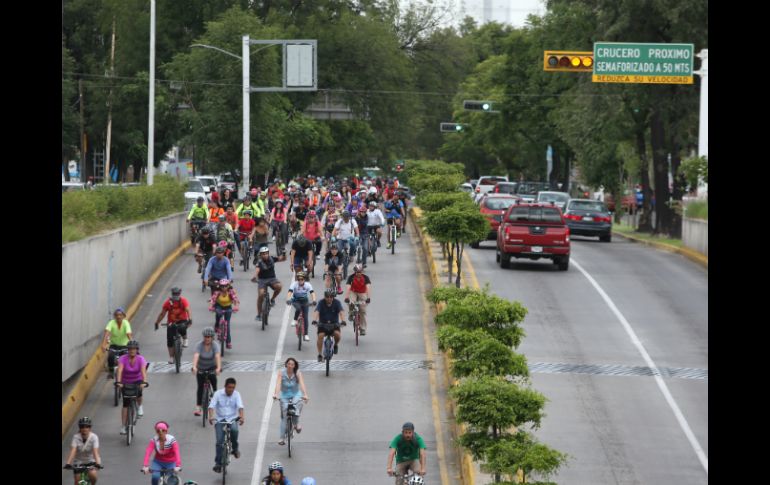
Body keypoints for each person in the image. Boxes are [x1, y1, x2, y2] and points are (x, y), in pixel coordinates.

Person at [209, 377, 245, 473]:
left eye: (233, 388)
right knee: (219, 442)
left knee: (234, 430)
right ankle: (218, 463)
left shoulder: (236, 394)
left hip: (232, 418)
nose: (231, 390)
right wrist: (211, 416)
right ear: (225, 386)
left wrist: (241, 417)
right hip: (220, 419)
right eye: (229, 387)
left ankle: (235, 448)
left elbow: (240, 407)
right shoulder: (217, 394)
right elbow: (211, 406)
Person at [272, 357, 309, 445]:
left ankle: (296, 424)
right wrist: (276, 394)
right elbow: (278, 384)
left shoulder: (298, 373)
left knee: (298, 405)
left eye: (292, 364)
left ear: (294, 366)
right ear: (286, 364)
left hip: (296, 395)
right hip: (284, 396)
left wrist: (305, 394)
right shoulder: (281, 373)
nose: (290, 366)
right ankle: (281, 438)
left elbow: (302, 384)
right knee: (284, 417)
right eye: (288, 364)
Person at [116, 340, 147, 434]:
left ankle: (140, 406)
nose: (131, 351)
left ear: (137, 350)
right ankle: (123, 426)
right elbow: (120, 371)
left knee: (139, 392)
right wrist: (119, 382)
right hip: (125, 382)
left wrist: (144, 382)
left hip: (137, 380)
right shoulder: (122, 358)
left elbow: (143, 372)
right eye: (130, 349)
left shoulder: (141, 359)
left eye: (133, 349)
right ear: (128, 350)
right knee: (125, 404)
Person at [191, 327, 222, 416]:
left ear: (212, 337)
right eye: (205, 336)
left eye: (209, 337)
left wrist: (218, 368)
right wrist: (194, 367)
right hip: (201, 368)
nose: (207, 338)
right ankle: (198, 407)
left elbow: (217, 356)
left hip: (212, 367)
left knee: (214, 384)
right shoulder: (199, 345)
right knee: (200, 387)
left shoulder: (215, 345)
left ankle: (216, 401)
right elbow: (196, 356)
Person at [252, 246, 286, 322]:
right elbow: (257, 270)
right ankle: (259, 314)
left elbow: (283, 259)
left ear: (268, 253)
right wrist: (255, 276)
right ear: (260, 255)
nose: (265, 255)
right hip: (262, 280)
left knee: (279, 286)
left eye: (266, 253)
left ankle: (272, 299)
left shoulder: (272, 259)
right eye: (263, 254)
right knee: (260, 295)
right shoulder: (259, 261)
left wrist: (284, 254)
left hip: (272, 279)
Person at [64, 417, 102, 485]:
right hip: (79, 461)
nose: (84, 429)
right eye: (82, 426)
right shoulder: (76, 437)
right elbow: (73, 451)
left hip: (91, 460)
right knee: (77, 480)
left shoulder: (94, 437)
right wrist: (68, 463)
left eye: (87, 426)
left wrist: (98, 464)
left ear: (90, 428)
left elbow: (95, 452)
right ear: (79, 428)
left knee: (93, 475)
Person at [142, 421, 182, 485]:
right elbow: (148, 451)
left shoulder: (171, 439)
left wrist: (178, 465)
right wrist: (145, 465)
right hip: (158, 462)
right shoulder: (154, 440)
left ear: (166, 431)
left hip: (170, 462)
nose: (161, 433)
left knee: (171, 481)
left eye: (163, 431)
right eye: (158, 431)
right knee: (155, 477)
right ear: (156, 432)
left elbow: (176, 451)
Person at [312, 287, 345, 362]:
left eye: (331, 297)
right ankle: (320, 354)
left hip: (334, 324)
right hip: (323, 324)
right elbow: (317, 311)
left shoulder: (337, 302)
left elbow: (341, 312)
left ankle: (335, 345)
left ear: (333, 297)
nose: (329, 298)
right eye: (327, 297)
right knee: (320, 336)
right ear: (325, 296)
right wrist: (314, 320)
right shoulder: (321, 302)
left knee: (337, 335)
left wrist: (343, 321)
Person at [102, 307, 133, 379]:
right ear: (114, 316)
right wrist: (103, 344)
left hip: (124, 346)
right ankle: (111, 372)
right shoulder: (111, 323)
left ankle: (127, 373)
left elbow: (128, 334)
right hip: (114, 345)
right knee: (110, 356)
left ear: (123, 316)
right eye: (116, 315)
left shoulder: (126, 323)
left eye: (120, 315)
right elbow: (107, 333)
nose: (118, 316)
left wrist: (132, 343)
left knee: (125, 358)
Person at [209, 279, 239, 350]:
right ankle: (217, 325)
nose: (224, 288)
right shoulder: (217, 292)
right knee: (218, 313)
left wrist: (236, 307)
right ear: (220, 286)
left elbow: (235, 299)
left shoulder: (230, 292)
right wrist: (211, 306)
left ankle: (228, 342)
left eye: (225, 286)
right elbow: (213, 299)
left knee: (227, 325)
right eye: (222, 286)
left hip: (228, 307)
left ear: (228, 286)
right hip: (219, 306)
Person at [286, 271, 316, 340]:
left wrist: (314, 300)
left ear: (304, 279)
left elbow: (312, 293)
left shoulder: (308, 285)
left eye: (302, 279)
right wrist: (288, 299)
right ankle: (295, 320)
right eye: (298, 279)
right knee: (298, 309)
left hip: (305, 301)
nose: (300, 281)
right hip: (296, 300)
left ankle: (306, 335)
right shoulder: (294, 284)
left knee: (305, 318)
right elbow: (290, 292)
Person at [344, 264, 372, 335]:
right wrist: (346, 297)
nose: (358, 273)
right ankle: (350, 312)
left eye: (360, 272)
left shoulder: (366, 278)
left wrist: (368, 297)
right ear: (355, 272)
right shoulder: (351, 277)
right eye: (357, 272)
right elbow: (348, 287)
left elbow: (368, 288)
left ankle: (362, 328)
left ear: (362, 271)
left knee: (362, 310)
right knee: (351, 302)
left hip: (362, 293)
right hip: (353, 292)